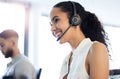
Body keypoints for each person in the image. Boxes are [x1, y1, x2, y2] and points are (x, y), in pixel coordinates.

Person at [50, 1, 110, 79]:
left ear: (75, 19)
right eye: (51, 24)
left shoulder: (95, 49)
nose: (52, 29)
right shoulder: (66, 59)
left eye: (56, 20)